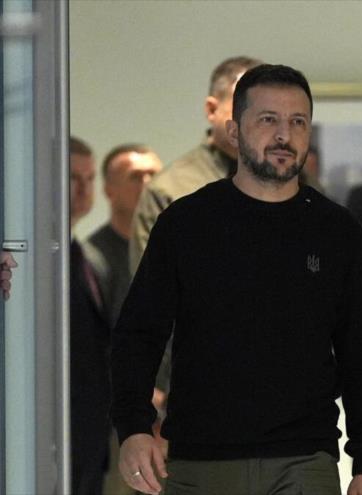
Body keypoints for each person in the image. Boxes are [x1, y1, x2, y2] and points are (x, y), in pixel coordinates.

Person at [111, 64, 362, 495]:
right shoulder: (186, 223)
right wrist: (132, 427)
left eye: (298, 122)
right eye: (268, 120)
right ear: (234, 130)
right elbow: (138, 334)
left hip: (305, 461)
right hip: (198, 461)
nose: (284, 135)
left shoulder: (336, 230)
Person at [129, 55, 261, 273]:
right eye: (243, 105)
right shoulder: (169, 190)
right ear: (212, 109)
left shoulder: (297, 183)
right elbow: (150, 289)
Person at [70, 136, 113, 494]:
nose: (83, 189)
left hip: (89, 442)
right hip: (58, 437)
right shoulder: (40, 263)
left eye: (89, 178)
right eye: (73, 178)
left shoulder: (86, 258)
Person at [87, 144, 162, 325]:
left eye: (154, 175)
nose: (147, 184)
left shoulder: (178, 248)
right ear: (109, 190)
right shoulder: (91, 260)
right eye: (135, 176)